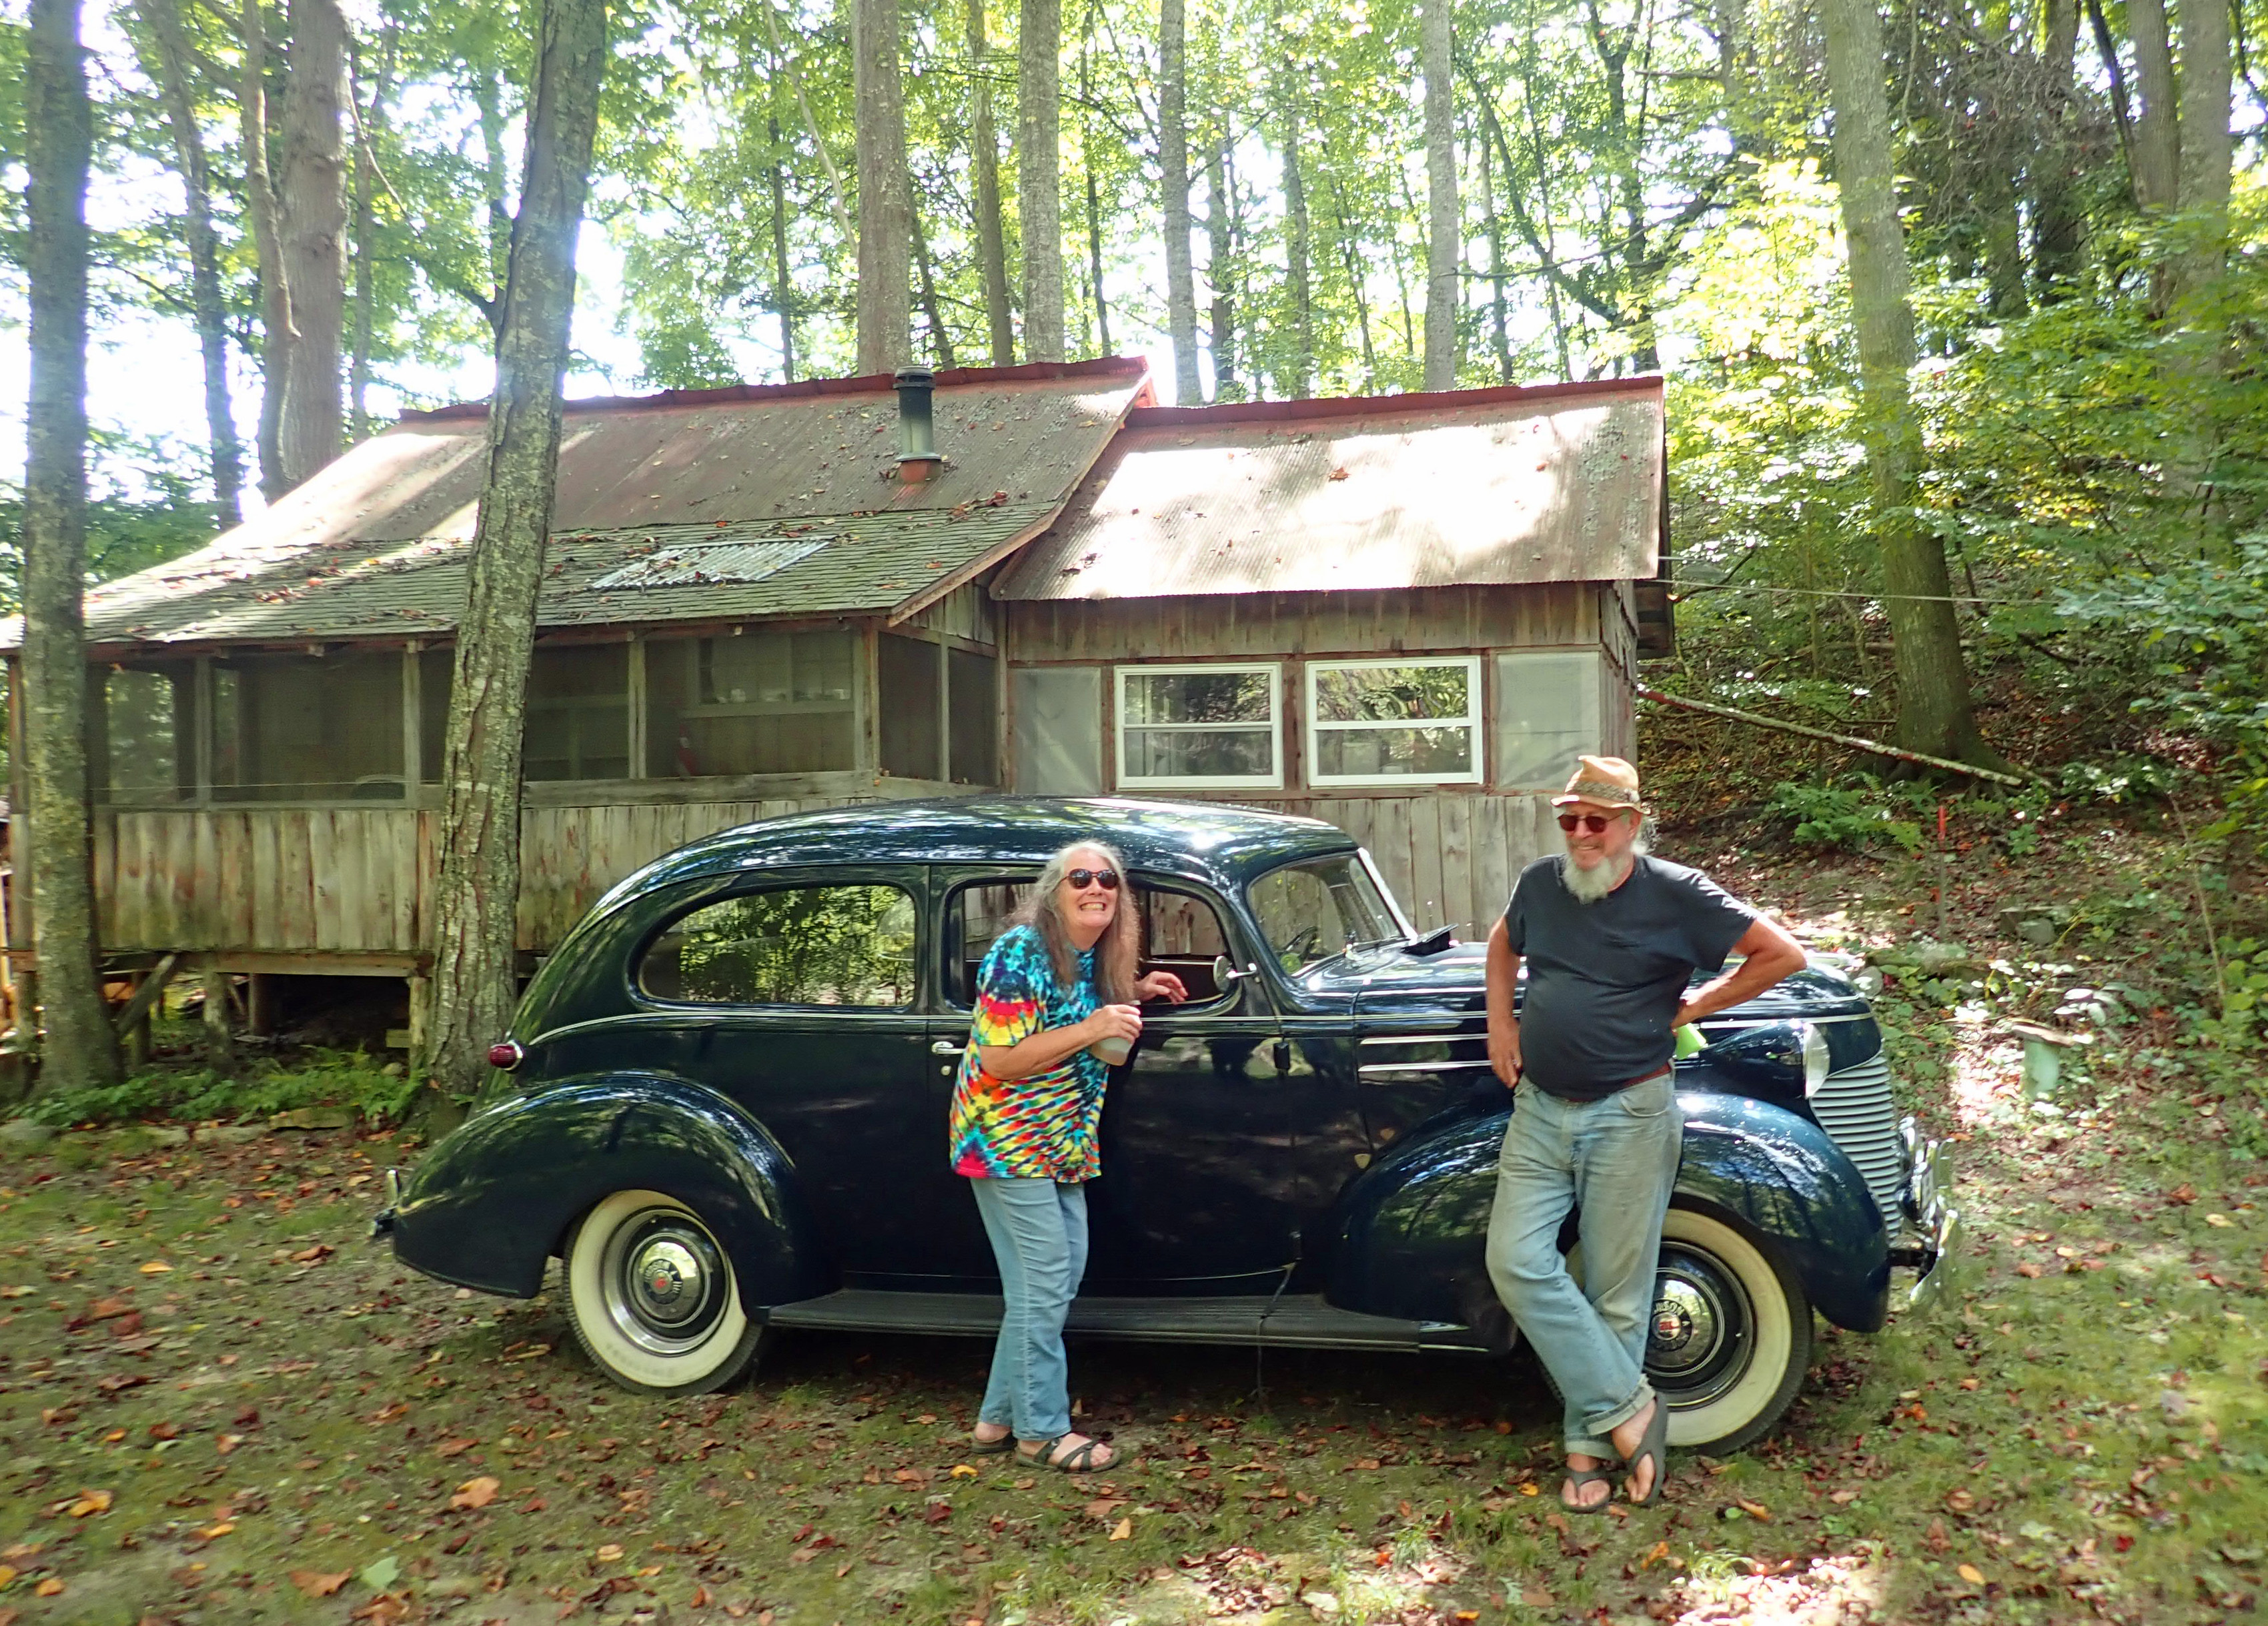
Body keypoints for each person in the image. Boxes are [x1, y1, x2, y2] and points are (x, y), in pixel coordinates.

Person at [1484, 756, 1805, 1511]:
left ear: (1631, 824)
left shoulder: (1677, 892)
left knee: (1618, 1293)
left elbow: (1781, 954)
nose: (1580, 833)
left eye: (1596, 820)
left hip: (1629, 1111)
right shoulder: (1541, 884)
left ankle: (1586, 1452)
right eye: (1569, 819)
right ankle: (1633, 1410)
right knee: (1515, 1261)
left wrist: (1698, 1005)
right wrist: (1502, 1023)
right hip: (1539, 1109)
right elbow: (1503, 943)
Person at [949, 840, 1187, 1473]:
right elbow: (999, 1059)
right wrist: (1093, 1028)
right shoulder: (1019, 952)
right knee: (1046, 1283)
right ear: (1053, 892)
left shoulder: (1090, 957)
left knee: (1053, 1280)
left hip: (1061, 1141)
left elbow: (1072, 1005)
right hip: (1006, 1140)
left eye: (1107, 879)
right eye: (1080, 877)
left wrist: (1136, 989)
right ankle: (1041, 1433)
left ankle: (998, 1419)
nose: (1095, 888)